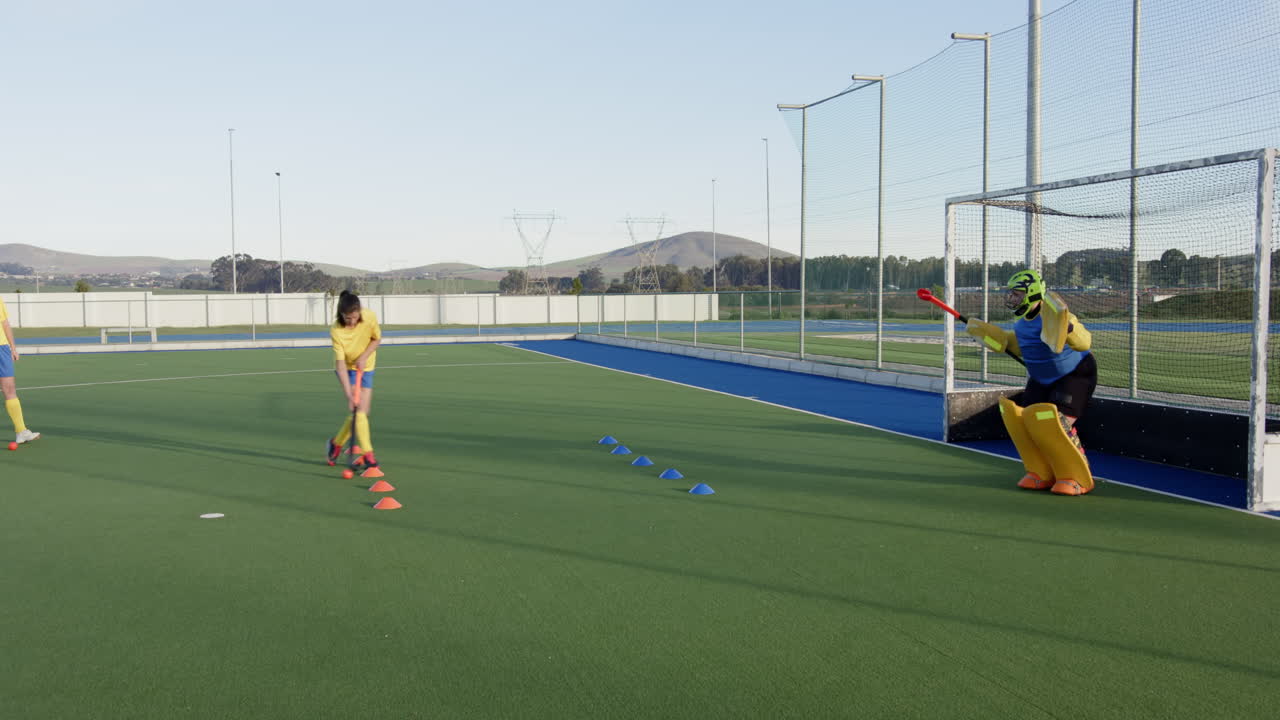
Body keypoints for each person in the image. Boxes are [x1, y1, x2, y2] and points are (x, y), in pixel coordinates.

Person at [963, 269, 1097, 495]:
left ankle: (1077, 477)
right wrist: (997, 339)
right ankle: (1041, 472)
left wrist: (1070, 329)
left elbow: (1084, 342)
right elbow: (1021, 346)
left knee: (1055, 425)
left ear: (1032, 293)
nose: (1012, 298)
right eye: (1011, 294)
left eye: (1016, 294)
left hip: (1074, 374)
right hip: (1041, 378)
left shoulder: (1055, 316)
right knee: (1025, 421)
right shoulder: (1022, 322)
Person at [325, 290, 383, 478]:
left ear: (360, 312)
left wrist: (364, 357)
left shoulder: (369, 317)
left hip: (366, 367)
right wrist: (349, 395)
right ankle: (369, 455)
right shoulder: (336, 330)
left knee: (362, 413)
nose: (352, 322)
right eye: (347, 318)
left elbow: (376, 339)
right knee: (358, 412)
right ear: (341, 314)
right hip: (347, 369)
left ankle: (336, 444)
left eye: (355, 317)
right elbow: (340, 364)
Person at [0, 296, 40, 445]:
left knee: (9, 389)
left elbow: (4, 323)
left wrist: (13, 348)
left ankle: (21, 431)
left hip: (2, 348)